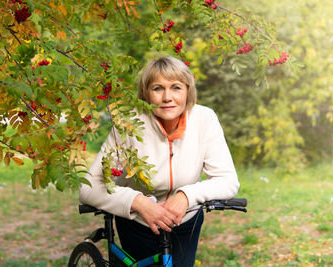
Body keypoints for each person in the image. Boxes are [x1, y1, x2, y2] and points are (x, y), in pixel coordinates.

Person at [79, 56, 240, 266]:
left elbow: (228, 180)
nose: (167, 97)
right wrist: (138, 202)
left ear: (188, 90)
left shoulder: (205, 119)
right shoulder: (129, 124)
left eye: (176, 87)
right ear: (146, 93)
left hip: (185, 223)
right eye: (157, 88)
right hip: (138, 224)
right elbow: (88, 188)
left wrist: (187, 195)